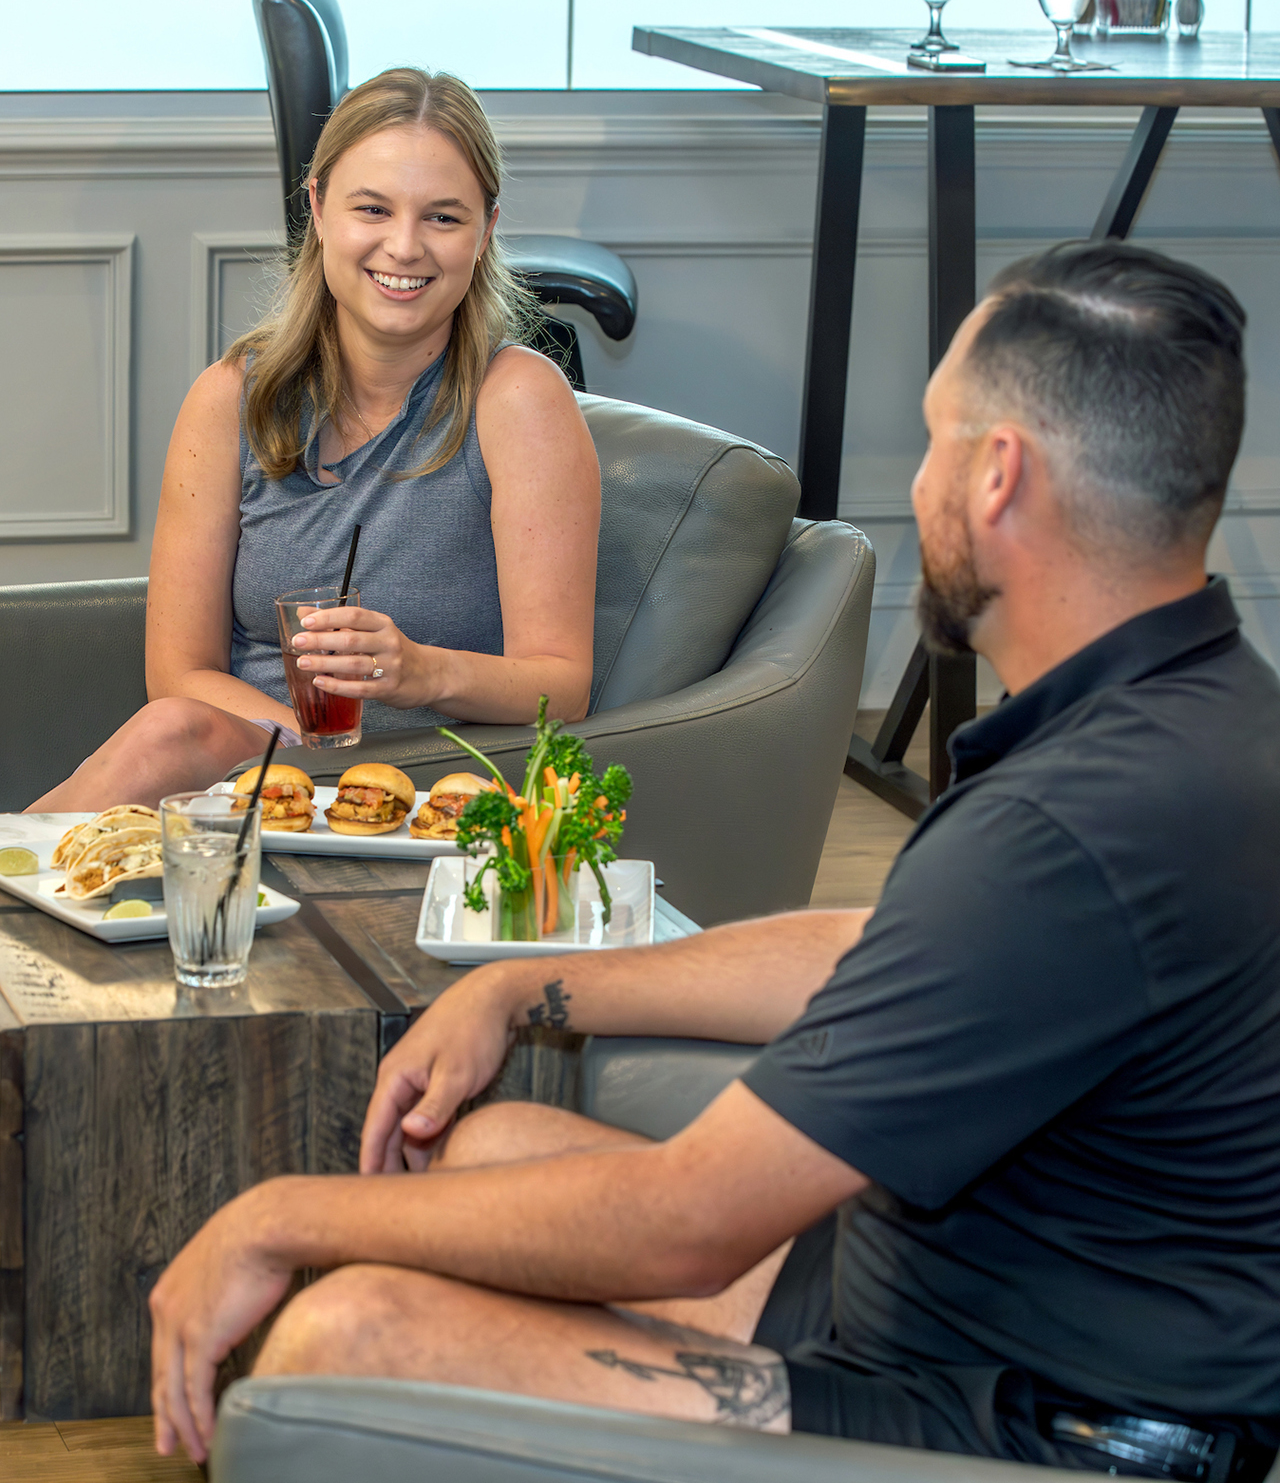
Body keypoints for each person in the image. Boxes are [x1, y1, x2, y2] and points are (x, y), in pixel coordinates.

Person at [148, 241, 1280, 1479]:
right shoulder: (1197, 713)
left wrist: (274, 1217)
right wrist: (522, 986)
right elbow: (900, 949)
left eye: (933, 441)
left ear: (997, 474)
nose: (917, 483)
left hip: (1031, 1419)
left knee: (341, 1335)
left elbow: (688, 1223)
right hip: (970, 1297)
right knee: (491, 1144)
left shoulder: (1069, 822)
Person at [28, 68, 599, 813]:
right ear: (319, 208)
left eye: (443, 217)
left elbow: (564, 685)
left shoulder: (518, 399)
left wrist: (419, 672)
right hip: (254, 764)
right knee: (169, 730)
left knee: (164, 740)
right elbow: (177, 675)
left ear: (485, 231)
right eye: (372, 208)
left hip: (423, 782)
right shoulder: (230, 397)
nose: (404, 247)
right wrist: (304, 749)